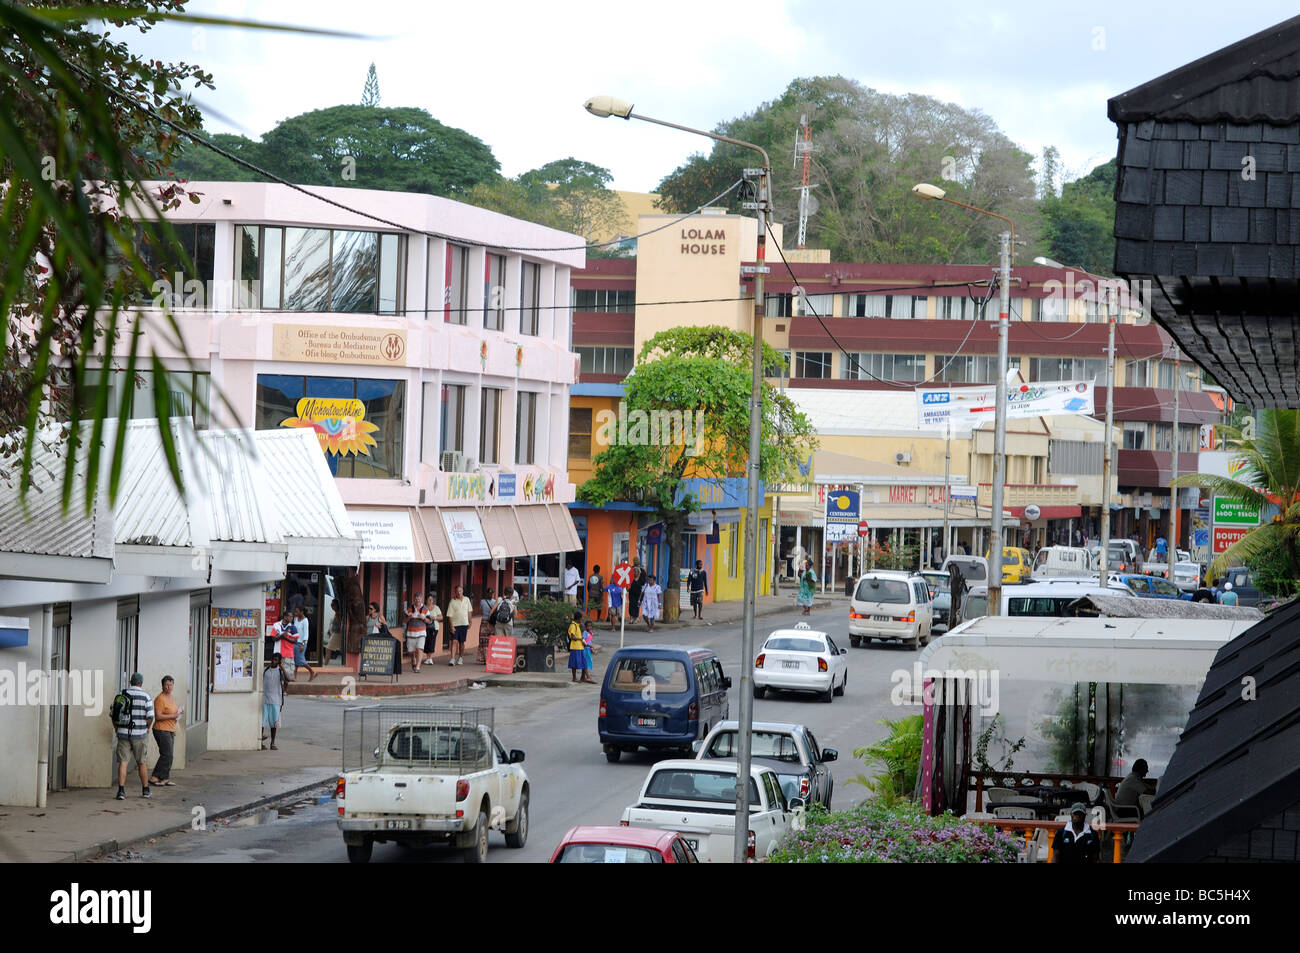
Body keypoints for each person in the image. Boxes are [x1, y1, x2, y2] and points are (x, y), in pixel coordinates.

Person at [112, 672, 153, 800]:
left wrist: (117, 729)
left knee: (123, 762)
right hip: (140, 735)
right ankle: (145, 790)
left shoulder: (122, 695)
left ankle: (121, 791)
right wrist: (146, 728)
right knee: (141, 762)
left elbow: (112, 715)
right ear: (141, 683)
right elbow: (150, 716)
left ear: (130, 682)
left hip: (123, 734)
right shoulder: (146, 697)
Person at [150, 675, 181, 787]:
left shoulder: (171, 697)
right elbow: (158, 716)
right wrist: (173, 715)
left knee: (169, 755)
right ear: (162, 685)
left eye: (171, 685)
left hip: (170, 728)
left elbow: (172, 712)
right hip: (161, 729)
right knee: (167, 754)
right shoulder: (160, 699)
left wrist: (178, 715)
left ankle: (164, 777)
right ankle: (156, 776)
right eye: (166, 685)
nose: (169, 687)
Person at [262, 653, 288, 750]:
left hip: (276, 700)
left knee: (274, 723)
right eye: (273, 659)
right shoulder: (266, 670)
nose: (273, 661)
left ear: (279, 661)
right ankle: (259, 741)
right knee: (262, 722)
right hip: (264, 699)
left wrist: (282, 667)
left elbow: (288, 679)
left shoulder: (280, 671)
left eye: (276, 660)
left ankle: (272, 743)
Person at [446, 585, 472, 665]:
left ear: (462, 591)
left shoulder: (467, 599)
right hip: (455, 625)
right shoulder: (452, 601)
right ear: (455, 592)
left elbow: (469, 611)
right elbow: (449, 615)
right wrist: (451, 626)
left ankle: (460, 658)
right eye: (457, 591)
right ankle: (452, 659)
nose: (459, 592)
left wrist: (470, 621)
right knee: (454, 641)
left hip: (464, 624)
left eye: (460, 591)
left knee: (462, 642)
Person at [291, 606, 316, 682]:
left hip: (301, 643)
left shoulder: (305, 620)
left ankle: (312, 671)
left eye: (297, 611)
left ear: (302, 612)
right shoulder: (295, 619)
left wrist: (303, 644)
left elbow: (306, 634)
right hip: (295, 642)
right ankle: (294, 676)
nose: (296, 613)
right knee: (295, 660)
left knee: (301, 660)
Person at [271, 610, 297, 681]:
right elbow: (273, 638)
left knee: (288, 675)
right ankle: (279, 690)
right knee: (276, 675)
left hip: (288, 654)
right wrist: (281, 636)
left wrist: (285, 638)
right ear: (285, 617)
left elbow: (295, 641)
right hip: (277, 653)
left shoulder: (293, 627)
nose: (292, 618)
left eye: (292, 617)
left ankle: (284, 691)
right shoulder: (276, 625)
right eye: (290, 616)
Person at [403, 596, 428, 673]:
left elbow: (430, 621)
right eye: (416, 599)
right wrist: (409, 617)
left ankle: (418, 667)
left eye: (419, 599)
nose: (418, 601)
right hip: (411, 633)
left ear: (421, 600)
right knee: (410, 651)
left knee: (420, 649)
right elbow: (404, 621)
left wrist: (423, 618)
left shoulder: (425, 609)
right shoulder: (410, 608)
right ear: (414, 600)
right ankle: (413, 659)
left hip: (421, 632)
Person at [566, 611, 589, 683]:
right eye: (581, 619)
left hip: (580, 647)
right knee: (574, 663)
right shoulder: (573, 625)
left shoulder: (577, 625)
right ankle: (574, 678)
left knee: (583, 662)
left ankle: (583, 677)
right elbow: (572, 637)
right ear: (578, 619)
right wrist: (580, 639)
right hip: (575, 647)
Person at [423, 595, 443, 668]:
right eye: (429, 599)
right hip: (425, 627)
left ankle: (430, 658)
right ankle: (427, 658)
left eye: (432, 599)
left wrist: (435, 617)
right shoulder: (424, 608)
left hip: (434, 627)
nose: (431, 601)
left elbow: (441, 617)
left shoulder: (436, 607)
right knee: (426, 641)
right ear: (426, 600)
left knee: (432, 641)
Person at [325, 599, 344, 665]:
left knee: (328, 648)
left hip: (337, 634)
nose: (331, 606)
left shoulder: (338, 614)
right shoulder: (336, 613)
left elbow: (340, 624)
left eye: (333, 604)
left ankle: (326, 663)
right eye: (331, 604)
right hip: (335, 633)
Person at [581, 618, 597, 683]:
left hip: (589, 650)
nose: (589, 627)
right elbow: (583, 642)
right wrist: (590, 646)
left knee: (586, 663)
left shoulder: (590, 633)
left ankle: (582, 677)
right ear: (585, 626)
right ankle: (588, 677)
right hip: (585, 650)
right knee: (586, 663)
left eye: (590, 626)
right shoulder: (584, 633)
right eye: (588, 626)